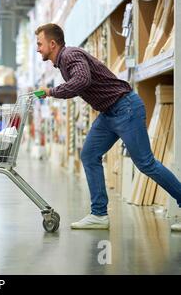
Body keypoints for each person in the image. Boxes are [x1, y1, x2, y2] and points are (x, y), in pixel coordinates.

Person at [35, 23, 181, 232]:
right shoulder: (63, 61)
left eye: (40, 44)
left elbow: (82, 80)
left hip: (125, 107)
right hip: (109, 113)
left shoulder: (69, 55)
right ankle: (99, 214)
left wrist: (51, 92)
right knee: (89, 154)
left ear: (52, 43)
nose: (38, 48)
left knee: (146, 163)